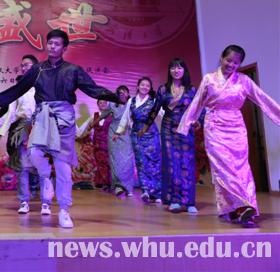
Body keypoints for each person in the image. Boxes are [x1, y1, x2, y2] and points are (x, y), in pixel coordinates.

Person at [0, 30, 119, 228]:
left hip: (64, 117)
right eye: (50, 43)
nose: (52, 47)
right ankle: (45, 176)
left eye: (57, 44)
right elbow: (18, 89)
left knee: (62, 164)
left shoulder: (73, 70)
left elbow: (92, 89)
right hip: (42, 115)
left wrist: (115, 98)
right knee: (34, 152)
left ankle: (64, 210)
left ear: (64, 48)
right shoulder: (37, 69)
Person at [178, 45, 280, 228]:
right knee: (223, 168)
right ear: (221, 58)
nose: (231, 65)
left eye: (236, 63)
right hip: (215, 127)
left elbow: (262, 98)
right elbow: (198, 101)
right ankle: (243, 207)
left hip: (236, 128)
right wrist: (187, 122)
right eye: (229, 60)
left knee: (241, 168)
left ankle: (233, 208)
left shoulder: (244, 80)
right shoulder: (209, 79)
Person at [0, 55, 48, 215]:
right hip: (21, 128)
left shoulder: (44, 86)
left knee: (42, 166)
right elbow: (11, 111)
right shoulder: (18, 89)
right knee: (22, 166)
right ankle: (24, 201)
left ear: (36, 67)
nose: (23, 68)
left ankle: (46, 203)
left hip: (40, 127)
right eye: (22, 65)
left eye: (27, 65)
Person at [144, 58, 201, 214]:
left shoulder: (191, 90)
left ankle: (189, 201)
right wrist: (145, 126)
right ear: (169, 71)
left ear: (184, 70)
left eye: (179, 68)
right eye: (173, 68)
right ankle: (174, 200)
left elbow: (198, 108)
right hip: (168, 128)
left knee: (187, 163)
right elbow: (155, 109)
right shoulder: (163, 90)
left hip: (185, 129)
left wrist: (198, 121)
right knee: (171, 164)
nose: (176, 71)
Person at [115, 77, 162, 203]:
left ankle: (156, 193)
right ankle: (145, 190)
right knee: (141, 162)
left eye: (147, 85)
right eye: (142, 85)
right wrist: (118, 132)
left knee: (153, 162)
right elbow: (125, 117)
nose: (145, 87)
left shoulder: (154, 101)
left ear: (150, 88)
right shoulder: (132, 101)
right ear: (137, 86)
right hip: (136, 135)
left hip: (151, 134)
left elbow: (163, 113)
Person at [105, 86, 135, 198]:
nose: (122, 94)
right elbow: (103, 114)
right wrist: (91, 125)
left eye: (124, 92)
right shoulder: (112, 104)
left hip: (126, 133)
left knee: (127, 160)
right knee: (115, 160)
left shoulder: (131, 104)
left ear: (128, 93)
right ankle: (118, 186)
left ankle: (128, 187)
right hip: (113, 134)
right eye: (120, 92)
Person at [77, 99, 113, 192]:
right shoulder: (94, 116)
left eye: (104, 102)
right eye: (101, 103)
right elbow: (86, 127)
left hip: (109, 143)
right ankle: (101, 182)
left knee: (108, 163)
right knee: (100, 163)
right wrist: (78, 135)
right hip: (97, 144)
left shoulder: (111, 115)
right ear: (98, 105)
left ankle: (108, 182)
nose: (103, 104)